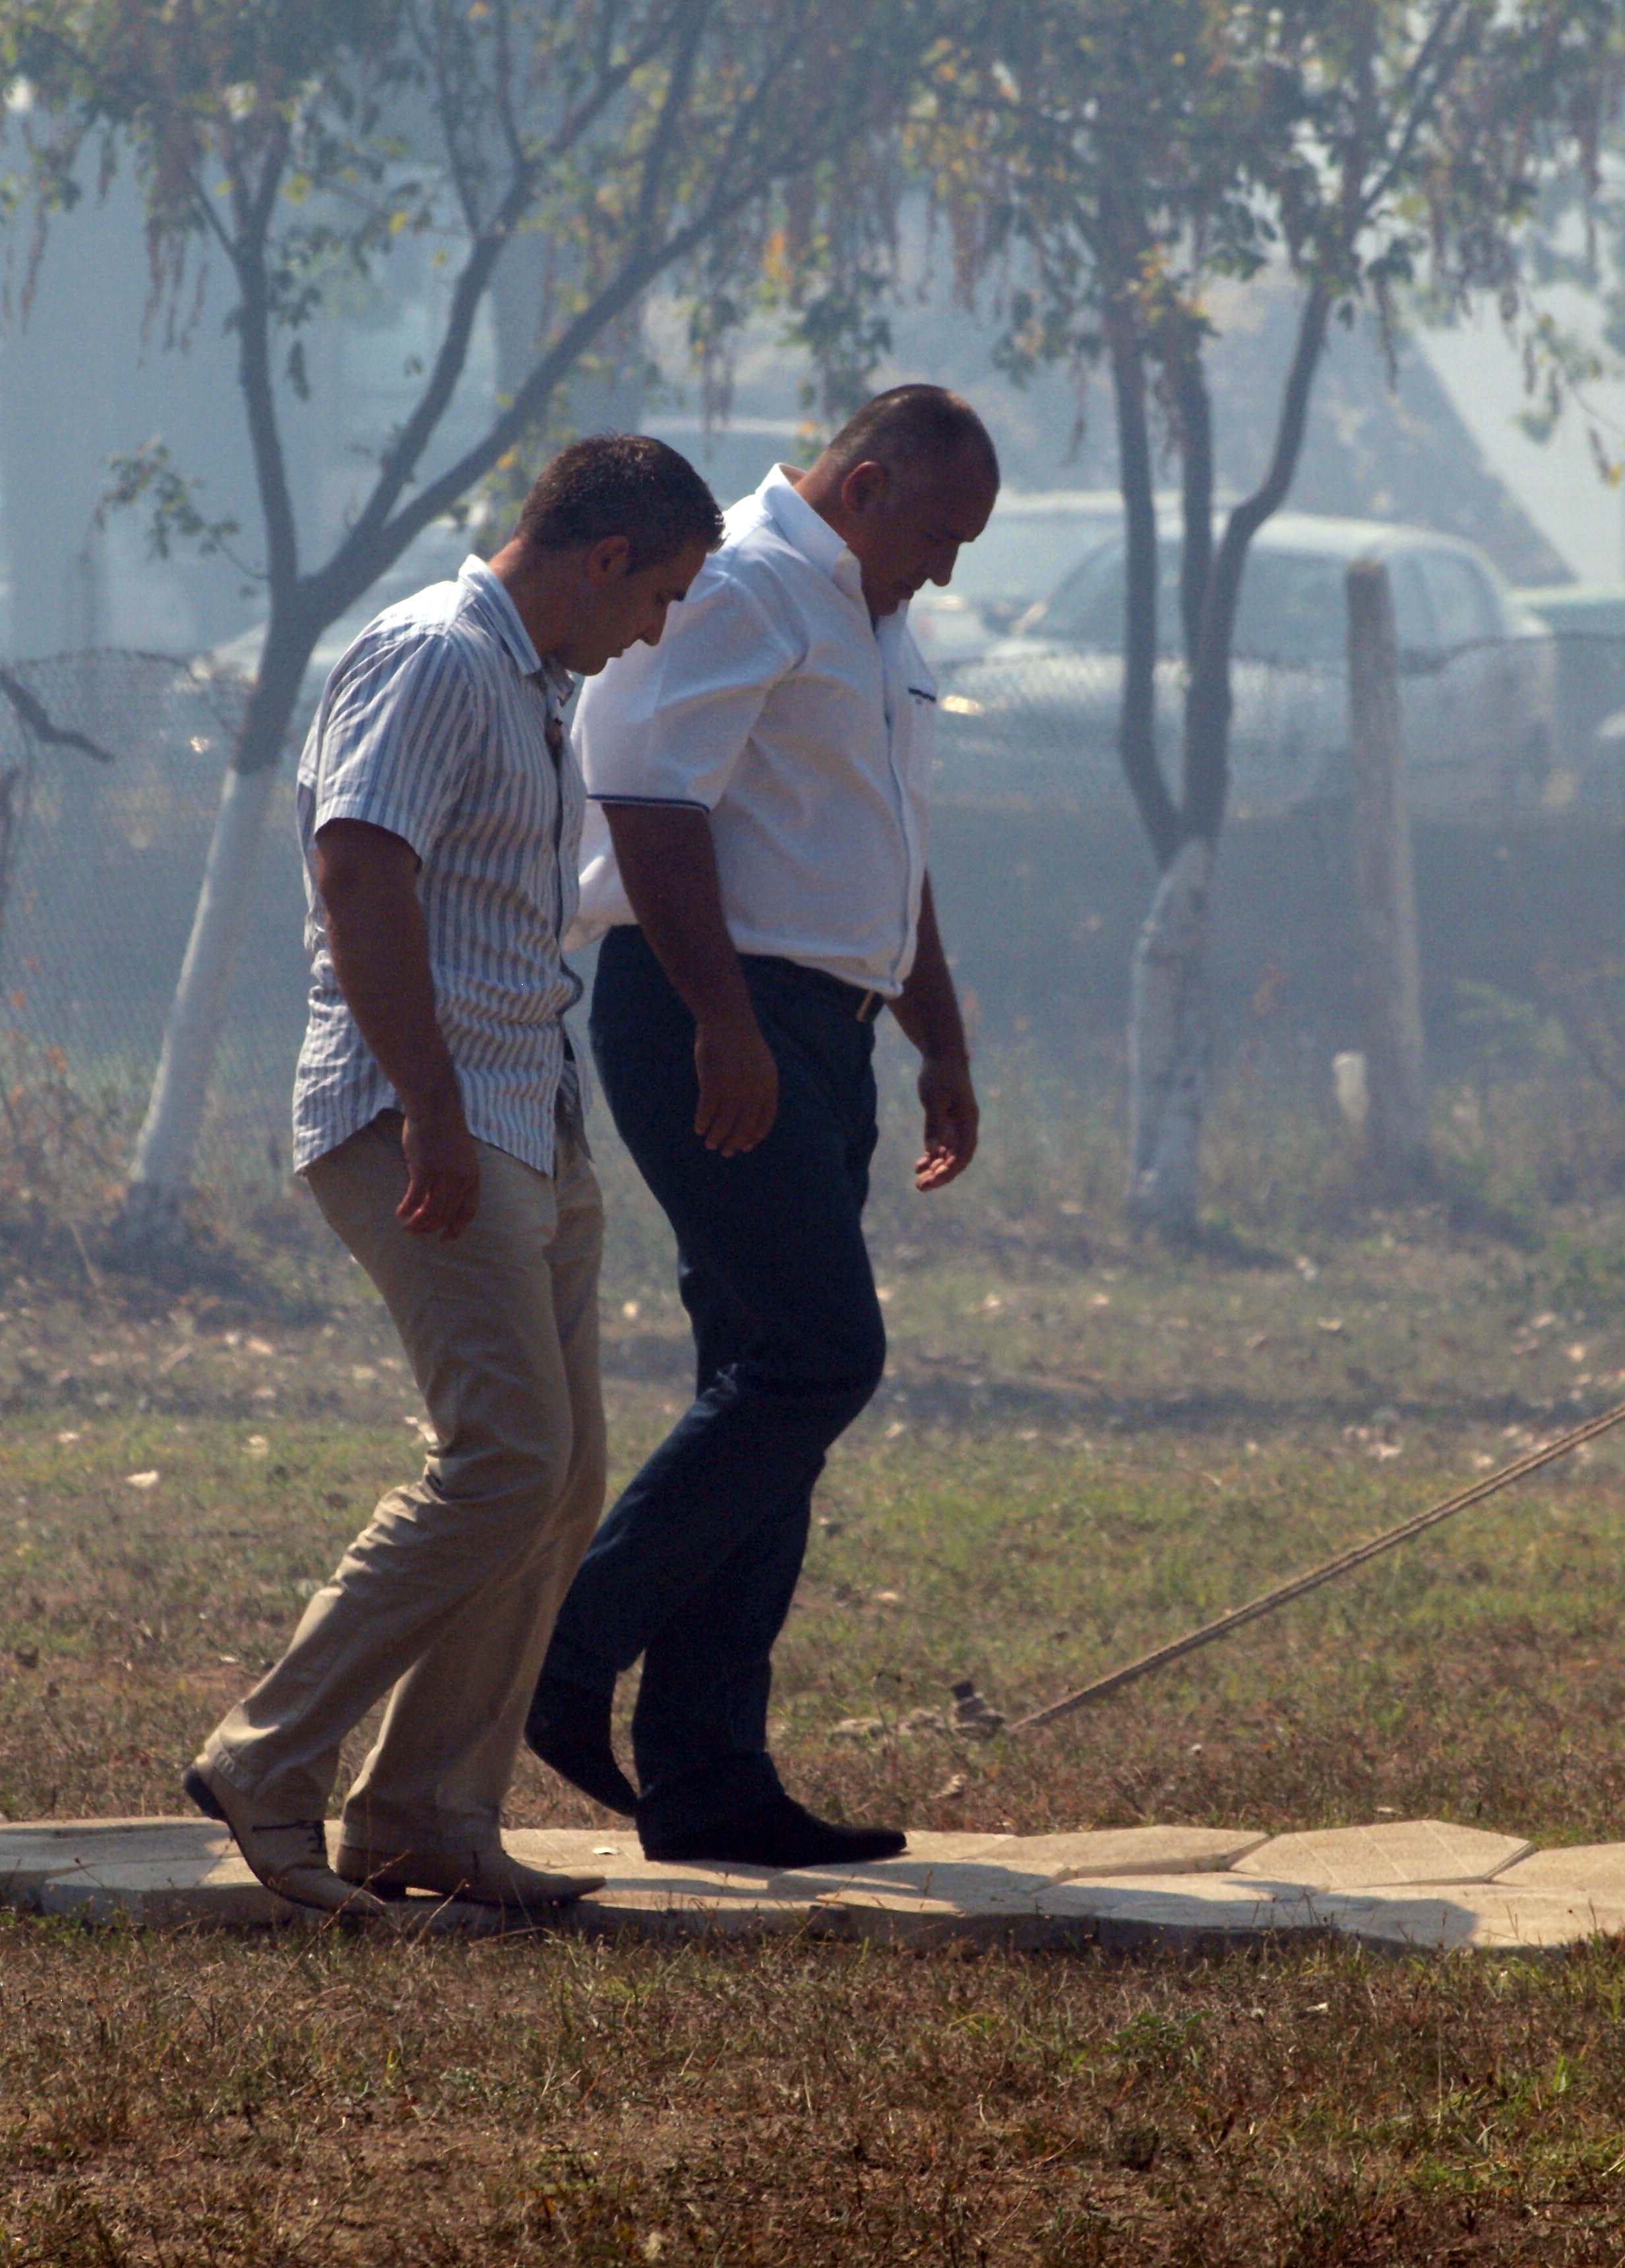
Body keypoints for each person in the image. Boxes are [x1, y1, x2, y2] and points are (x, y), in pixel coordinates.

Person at [185, 435, 723, 1919]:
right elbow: (361, 871)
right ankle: (268, 1755)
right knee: (499, 1459)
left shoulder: (529, 684)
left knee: (557, 1483)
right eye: (662, 594)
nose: (657, 631)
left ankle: (426, 1811)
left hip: (521, 1108)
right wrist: (425, 1105)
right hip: (424, 1110)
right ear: (604, 557)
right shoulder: (430, 655)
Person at [527, 384, 998, 1869]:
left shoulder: (865, 611)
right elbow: (646, 802)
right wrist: (723, 1024)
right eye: (940, 531)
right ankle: (562, 1644)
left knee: (766, 1382)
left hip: (821, 1027)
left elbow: (884, 843)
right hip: (708, 1015)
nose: (948, 568)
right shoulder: (741, 582)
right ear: (861, 487)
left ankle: (709, 1777)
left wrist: (937, 1034)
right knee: (815, 1358)